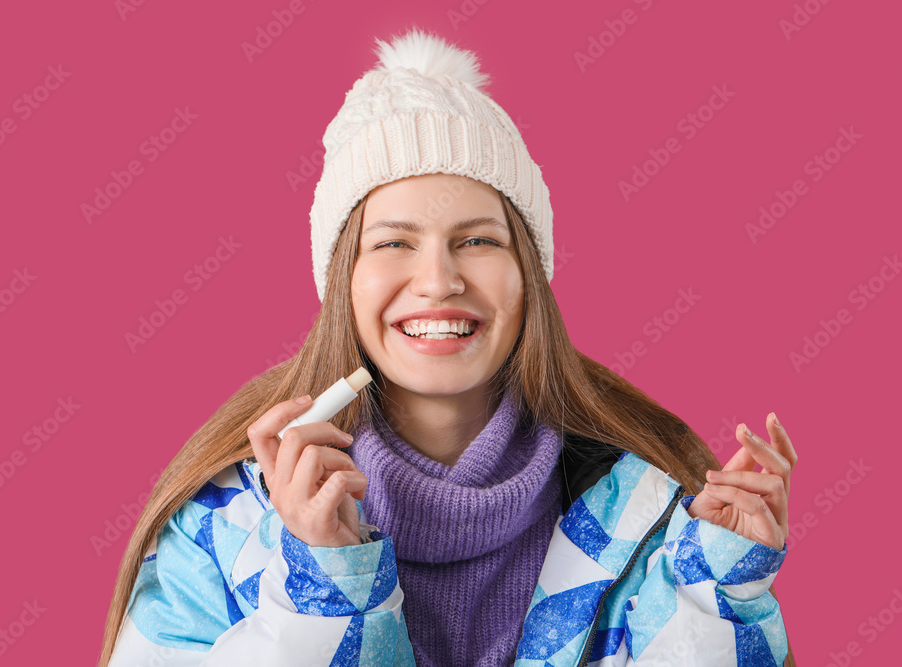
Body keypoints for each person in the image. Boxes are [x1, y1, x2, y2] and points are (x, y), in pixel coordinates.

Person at [99, 27, 797, 666]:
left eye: (478, 240)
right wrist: (321, 594)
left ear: (530, 277)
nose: (438, 280)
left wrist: (716, 600)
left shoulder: (651, 522)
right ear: (343, 280)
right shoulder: (221, 534)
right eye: (394, 242)